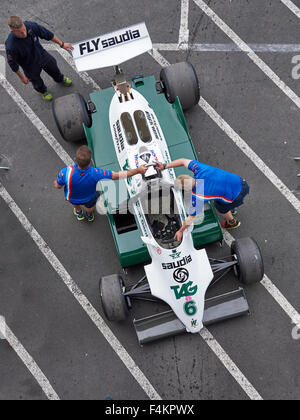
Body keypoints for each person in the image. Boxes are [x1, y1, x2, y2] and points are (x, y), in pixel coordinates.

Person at [156, 159, 250, 241]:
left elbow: (191, 218)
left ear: (187, 189)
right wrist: (165, 166)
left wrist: (180, 231)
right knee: (222, 195)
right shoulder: (200, 169)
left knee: (220, 207)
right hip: (241, 182)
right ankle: (233, 208)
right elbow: (183, 161)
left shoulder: (199, 195)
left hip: (236, 196)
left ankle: (232, 222)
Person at [54, 146, 148, 222]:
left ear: (75, 159)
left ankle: (79, 213)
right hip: (89, 197)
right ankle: (89, 215)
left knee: (75, 204)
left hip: (72, 197)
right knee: (90, 207)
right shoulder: (96, 173)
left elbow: (58, 186)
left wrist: (55, 182)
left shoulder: (66, 172)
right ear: (90, 161)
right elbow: (117, 175)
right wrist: (138, 170)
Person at [5, 16, 73, 101]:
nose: (24, 34)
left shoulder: (31, 26)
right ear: (13, 31)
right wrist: (22, 77)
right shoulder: (11, 46)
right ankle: (43, 91)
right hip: (29, 66)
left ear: (23, 23)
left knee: (53, 67)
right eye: (20, 33)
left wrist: (62, 44)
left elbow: (47, 34)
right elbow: (12, 64)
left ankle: (60, 79)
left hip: (41, 55)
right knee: (36, 81)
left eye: (24, 30)